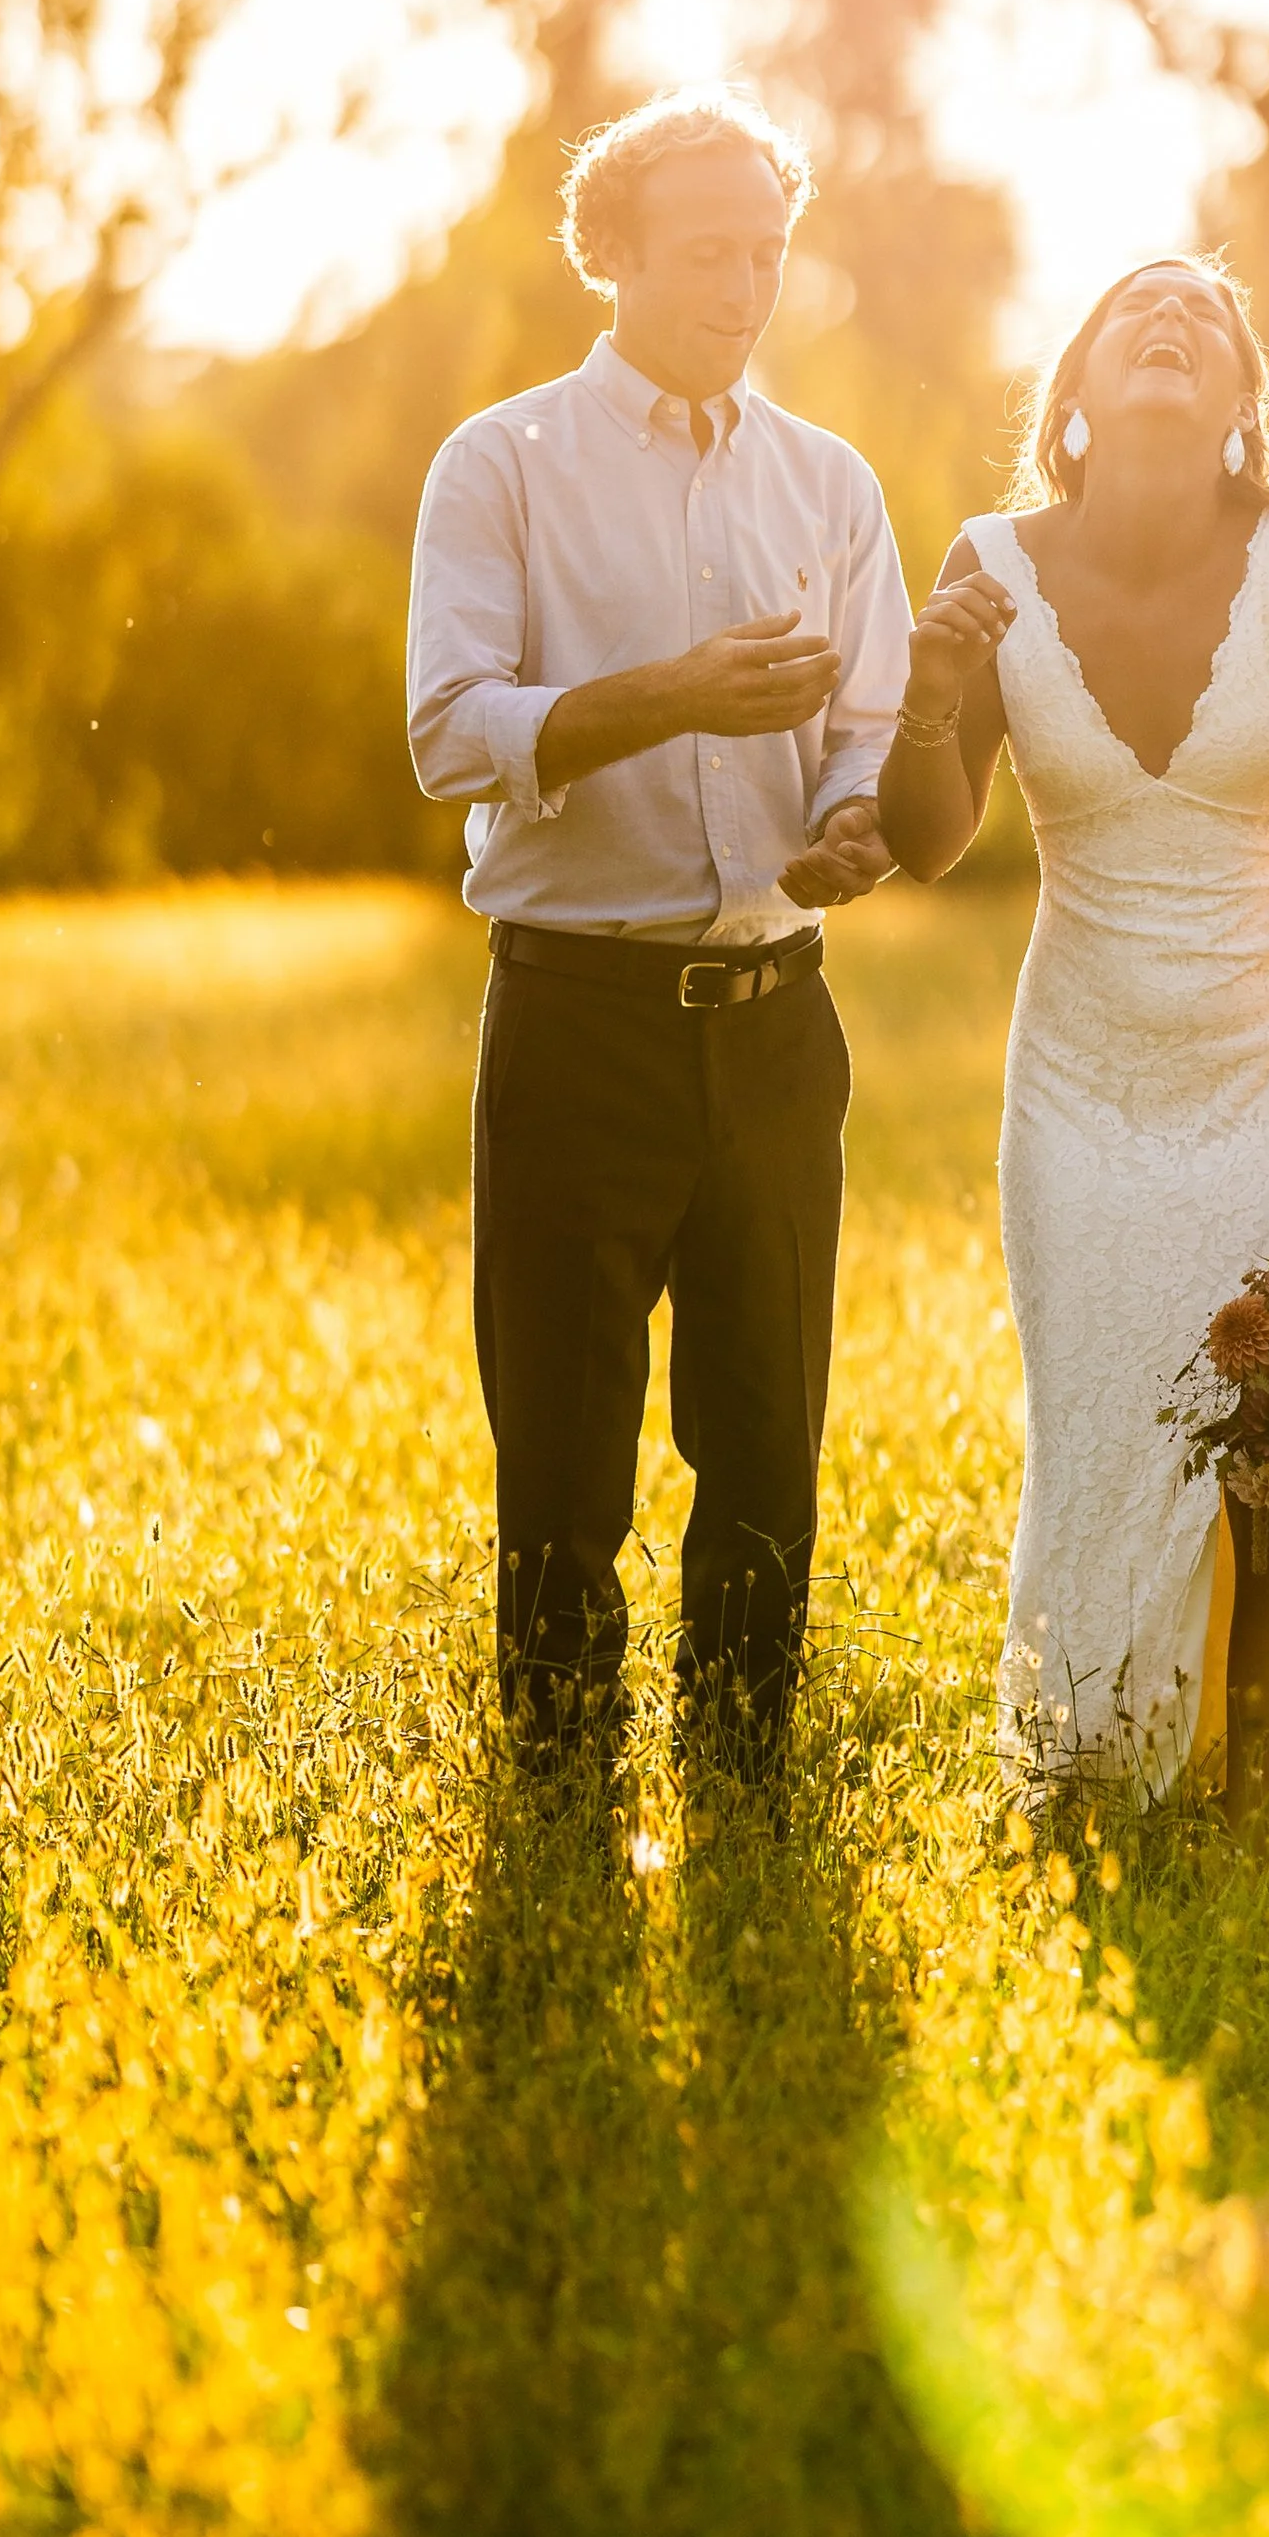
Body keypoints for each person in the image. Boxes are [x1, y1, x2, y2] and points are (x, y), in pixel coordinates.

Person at [877, 256, 1269, 1818]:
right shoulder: (989, 564)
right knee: (1106, 1407)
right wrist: (932, 694)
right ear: (1070, 397)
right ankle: (1106, 1760)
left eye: (1209, 317)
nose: (1172, 319)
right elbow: (927, 840)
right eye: (1136, 309)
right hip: (1080, 1081)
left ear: (1238, 413)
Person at [406, 86, 909, 1779]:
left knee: (768, 1437)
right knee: (561, 1449)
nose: (746, 287)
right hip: (575, 1021)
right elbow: (449, 726)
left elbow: (870, 729)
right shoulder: (500, 466)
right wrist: (669, 698)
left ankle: (744, 1782)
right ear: (606, 250)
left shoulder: (832, 487)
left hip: (777, 1028)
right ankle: (558, 1789)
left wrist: (853, 823)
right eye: (708, 251)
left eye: (768, 252)